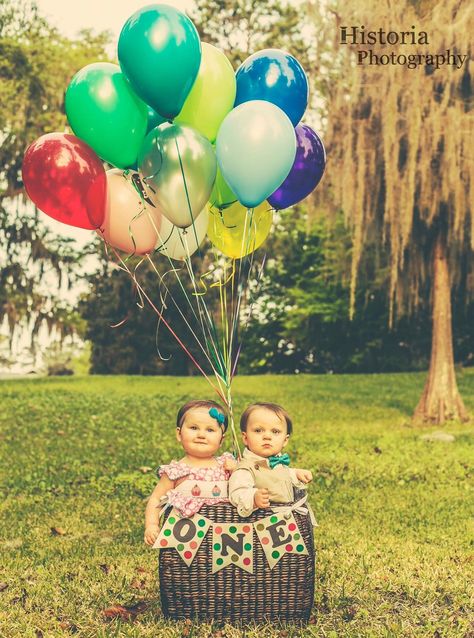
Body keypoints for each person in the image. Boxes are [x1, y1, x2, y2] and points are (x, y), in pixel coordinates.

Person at [144, 400, 236, 546]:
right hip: (187, 543)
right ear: (179, 434)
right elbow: (156, 499)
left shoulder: (226, 465)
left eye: (210, 430)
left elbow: (245, 489)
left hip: (225, 539)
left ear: (221, 439)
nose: (201, 434)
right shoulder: (176, 471)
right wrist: (152, 525)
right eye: (194, 427)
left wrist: (237, 470)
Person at [229, 402, 313, 517]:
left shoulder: (277, 462)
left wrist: (295, 474)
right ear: (245, 438)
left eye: (275, 432)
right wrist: (253, 498)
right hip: (261, 523)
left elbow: (278, 477)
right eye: (258, 430)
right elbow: (237, 493)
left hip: (285, 521)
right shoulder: (245, 469)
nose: (267, 436)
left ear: (285, 440)